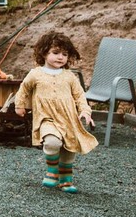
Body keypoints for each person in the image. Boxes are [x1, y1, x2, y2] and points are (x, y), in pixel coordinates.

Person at [15, 31, 98, 193]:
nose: (60, 57)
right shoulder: (36, 74)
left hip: (68, 118)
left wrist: (85, 111)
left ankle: (65, 180)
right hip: (46, 117)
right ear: (44, 53)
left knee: (69, 149)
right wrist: (20, 105)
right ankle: (52, 171)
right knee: (52, 142)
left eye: (64, 54)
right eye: (55, 53)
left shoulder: (69, 77)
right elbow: (23, 89)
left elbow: (80, 96)